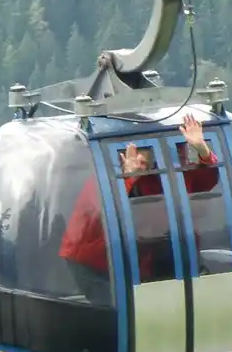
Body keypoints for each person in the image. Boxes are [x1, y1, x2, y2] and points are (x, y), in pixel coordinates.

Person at [59, 116, 219, 299]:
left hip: (146, 251)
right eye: (140, 149)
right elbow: (103, 212)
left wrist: (203, 152)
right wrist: (128, 177)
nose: (143, 157)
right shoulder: (106, 176)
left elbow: (206, 181)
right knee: (117, 308)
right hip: (93, 261)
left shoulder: (170, 174)